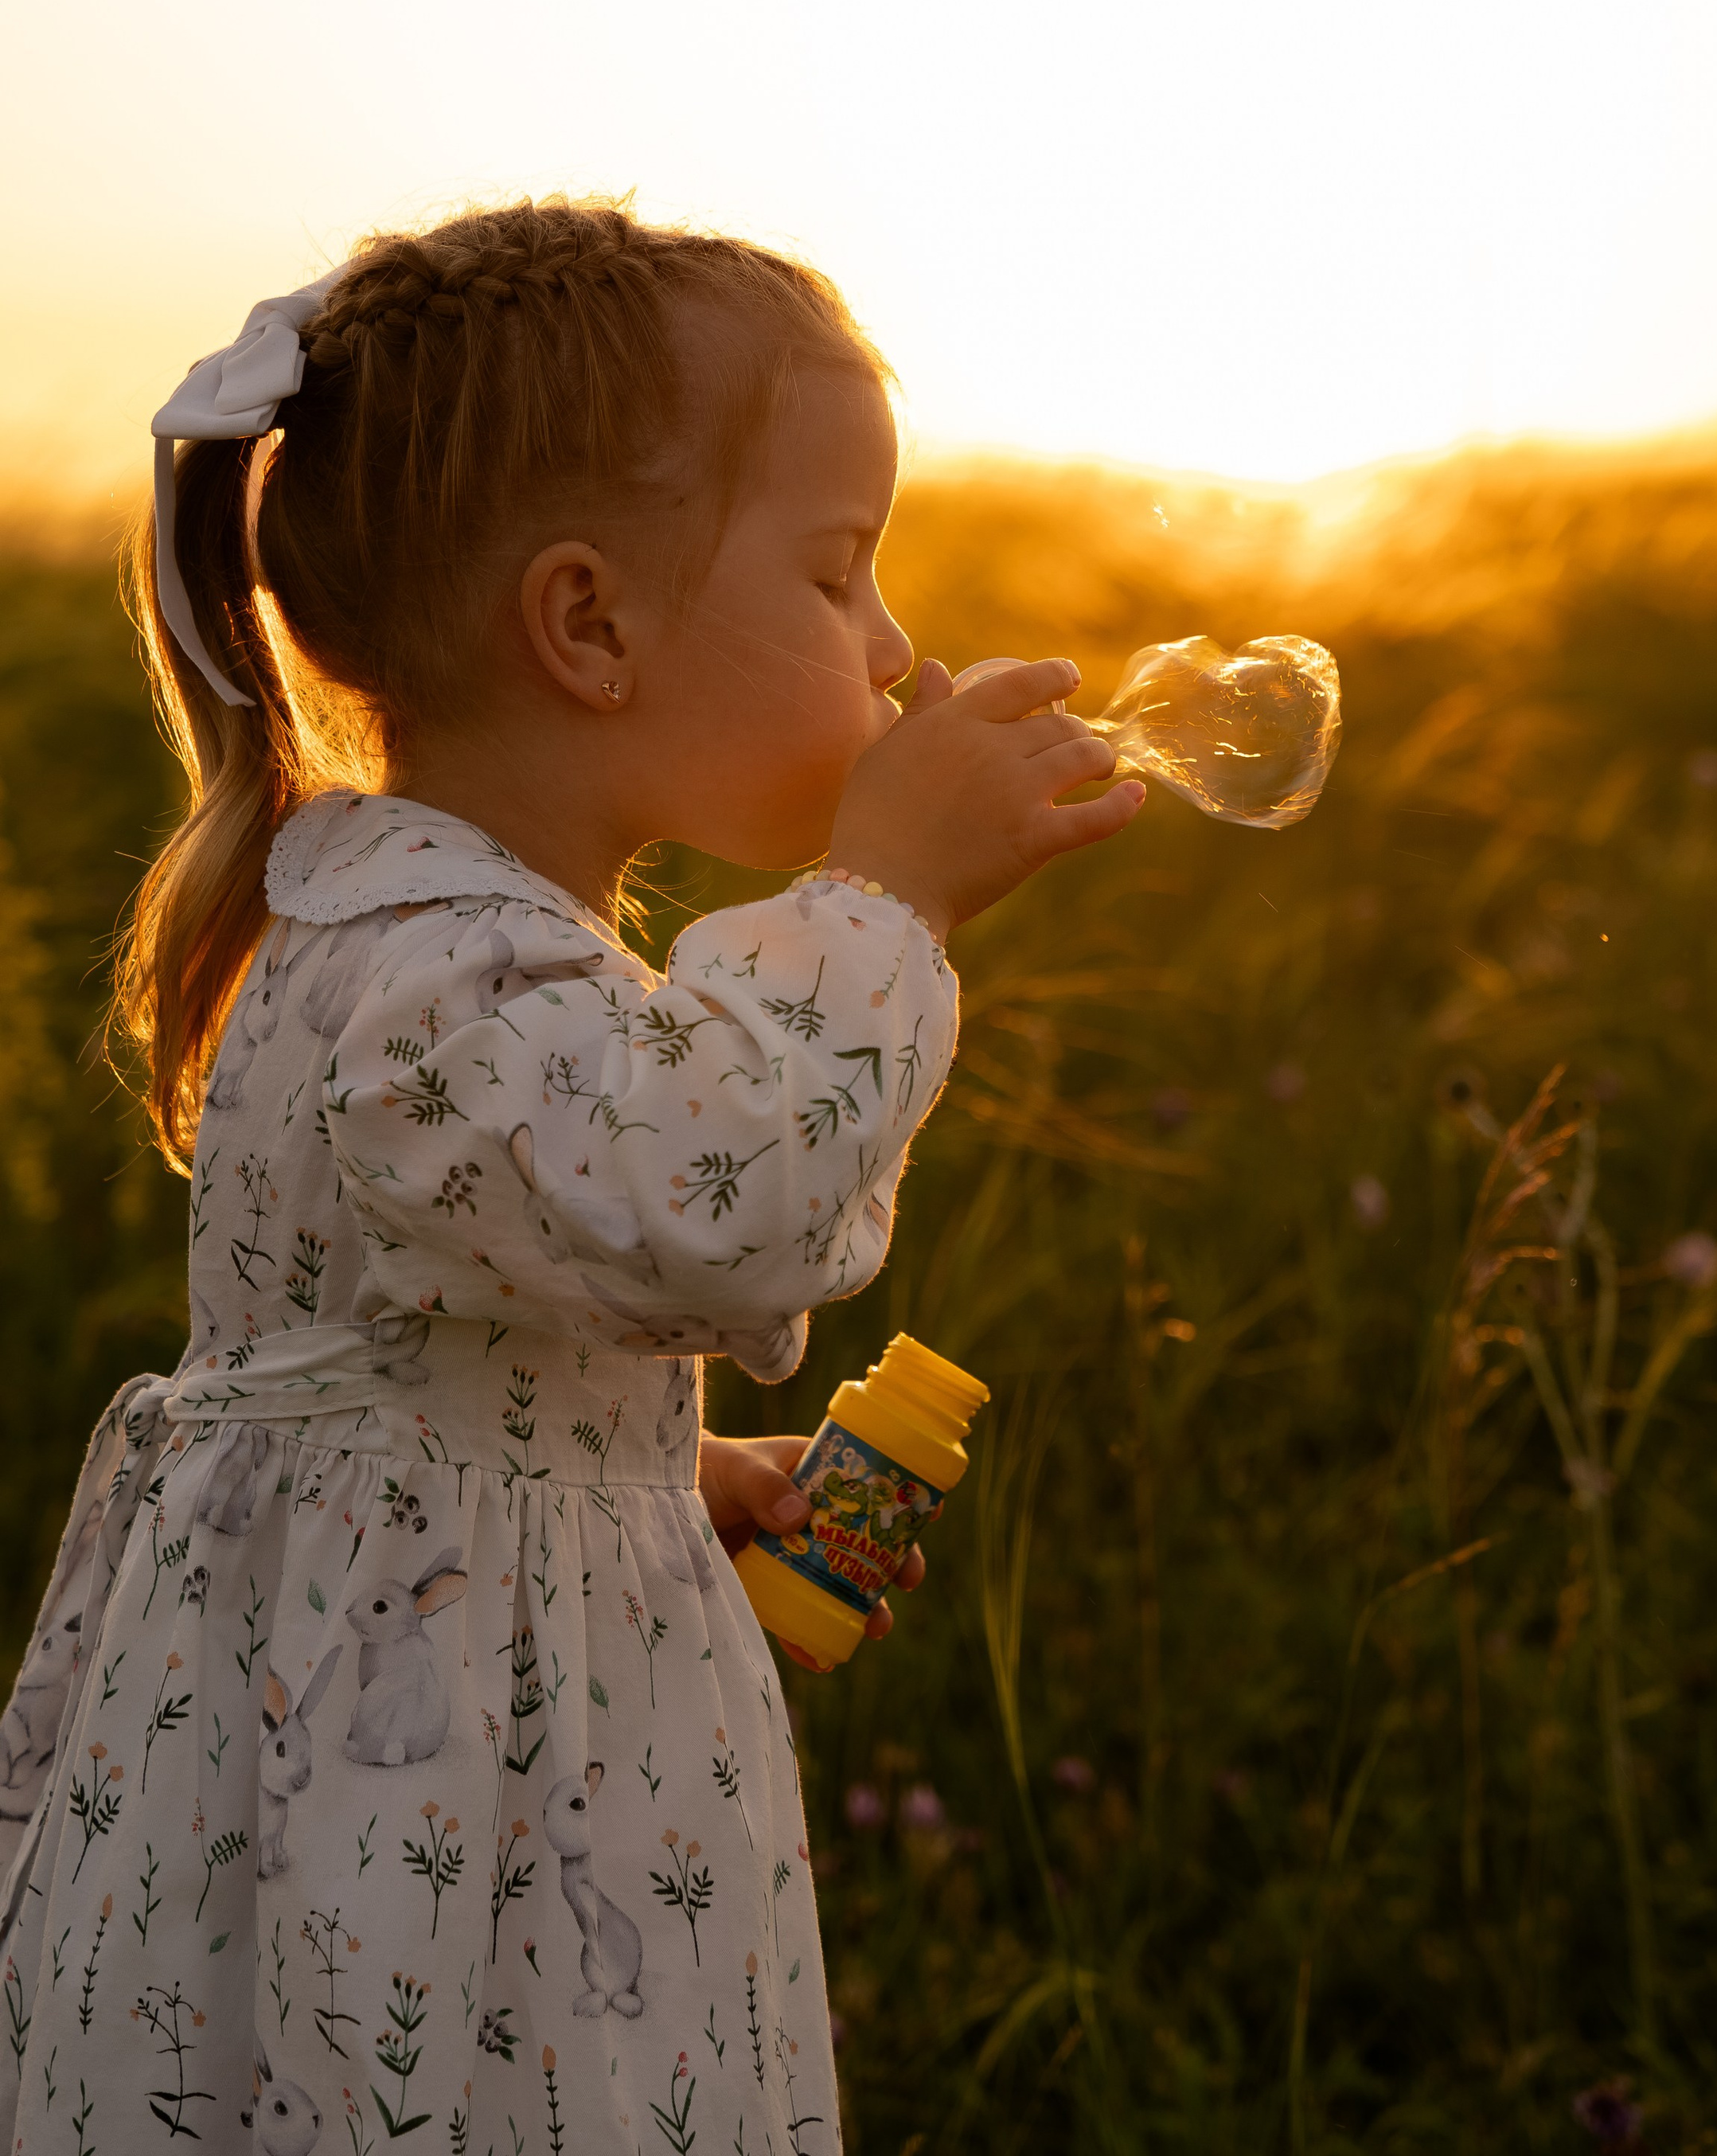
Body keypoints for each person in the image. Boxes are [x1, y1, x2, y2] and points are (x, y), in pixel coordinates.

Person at [0, 197, 1143, 2154]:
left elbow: (417, 1355)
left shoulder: (439, 937)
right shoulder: (438, 974)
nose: (892, 650)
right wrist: (887, 905)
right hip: (433, 1816)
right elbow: (721, 1208)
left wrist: (650, 1469)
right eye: (837, 573)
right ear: (588, 624)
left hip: (423, 1715)